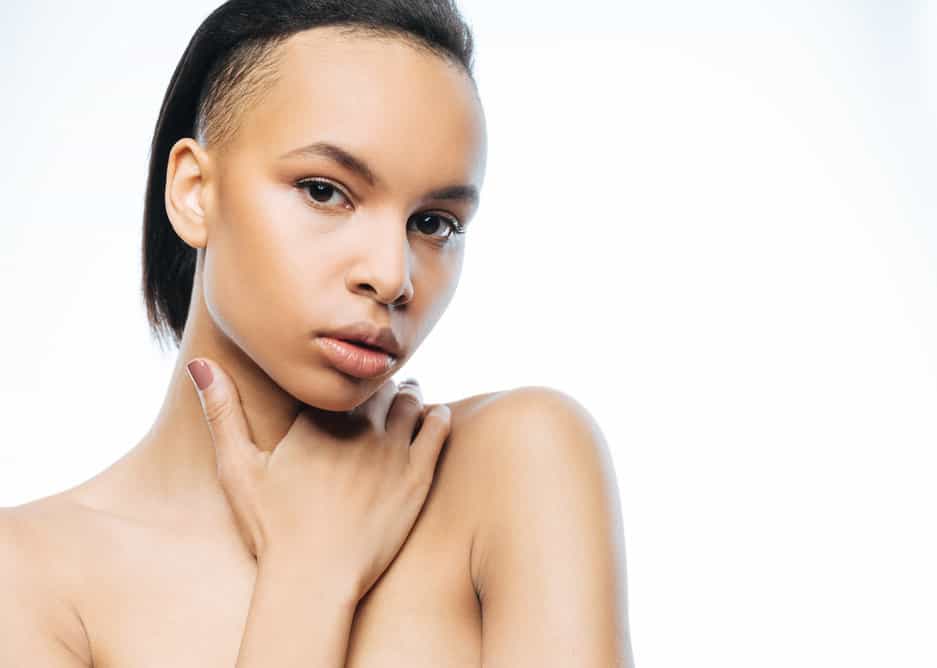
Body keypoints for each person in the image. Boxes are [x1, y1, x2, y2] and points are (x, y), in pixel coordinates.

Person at [0, 1, 634, 665]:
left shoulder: (519, 463)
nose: (392, 277)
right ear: (194, 192)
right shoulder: (31, 576)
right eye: (325, 191)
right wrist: (308, 577)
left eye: (434, 223)